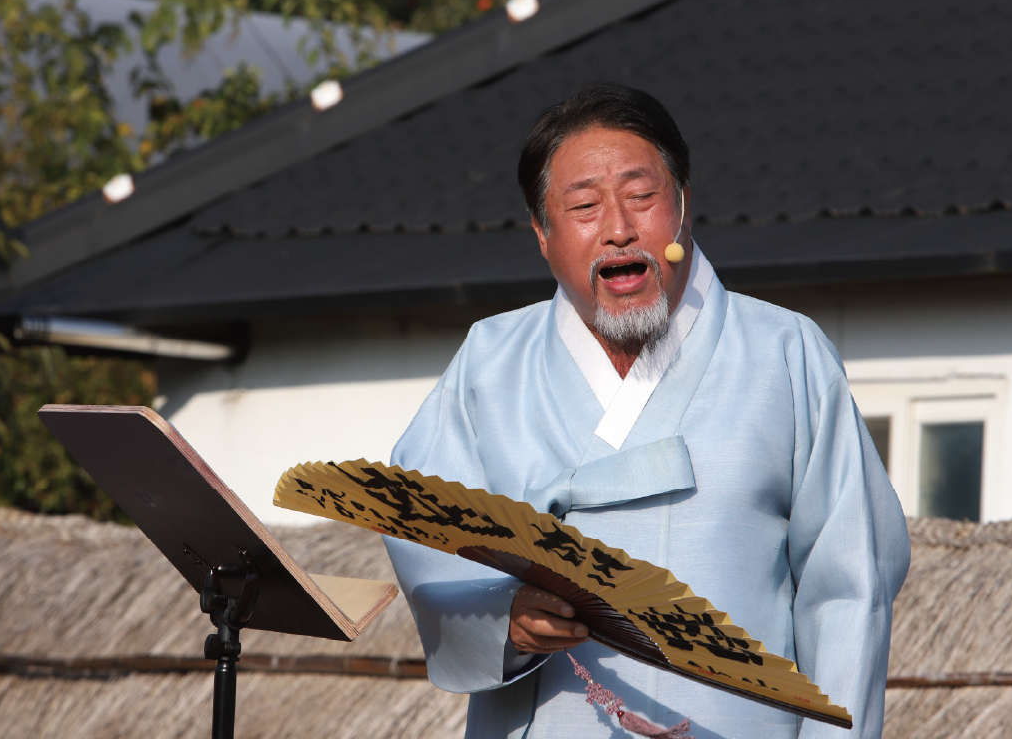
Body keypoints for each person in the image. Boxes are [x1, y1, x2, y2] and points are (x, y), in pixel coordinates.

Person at [382, 81, 910, 739]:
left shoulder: (784, 354)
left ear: (684, 205)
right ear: (542, 233)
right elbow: (420, 522)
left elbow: (850, 585)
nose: (618, 229)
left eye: (641, 196)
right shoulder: (491, 362)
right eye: (584, 206)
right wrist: (502, 617)